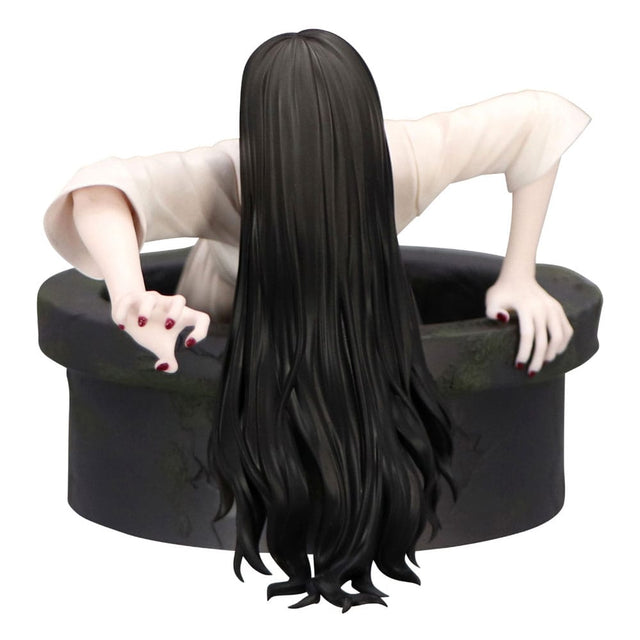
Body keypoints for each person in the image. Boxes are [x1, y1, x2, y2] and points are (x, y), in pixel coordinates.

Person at [43, 29, 590, 610]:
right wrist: (130, 296)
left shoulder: (405, 160)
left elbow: (538, 121)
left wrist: (519, 273)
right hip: (234, 338)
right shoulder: (225, 178)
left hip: (355, 327)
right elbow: (99, 190)